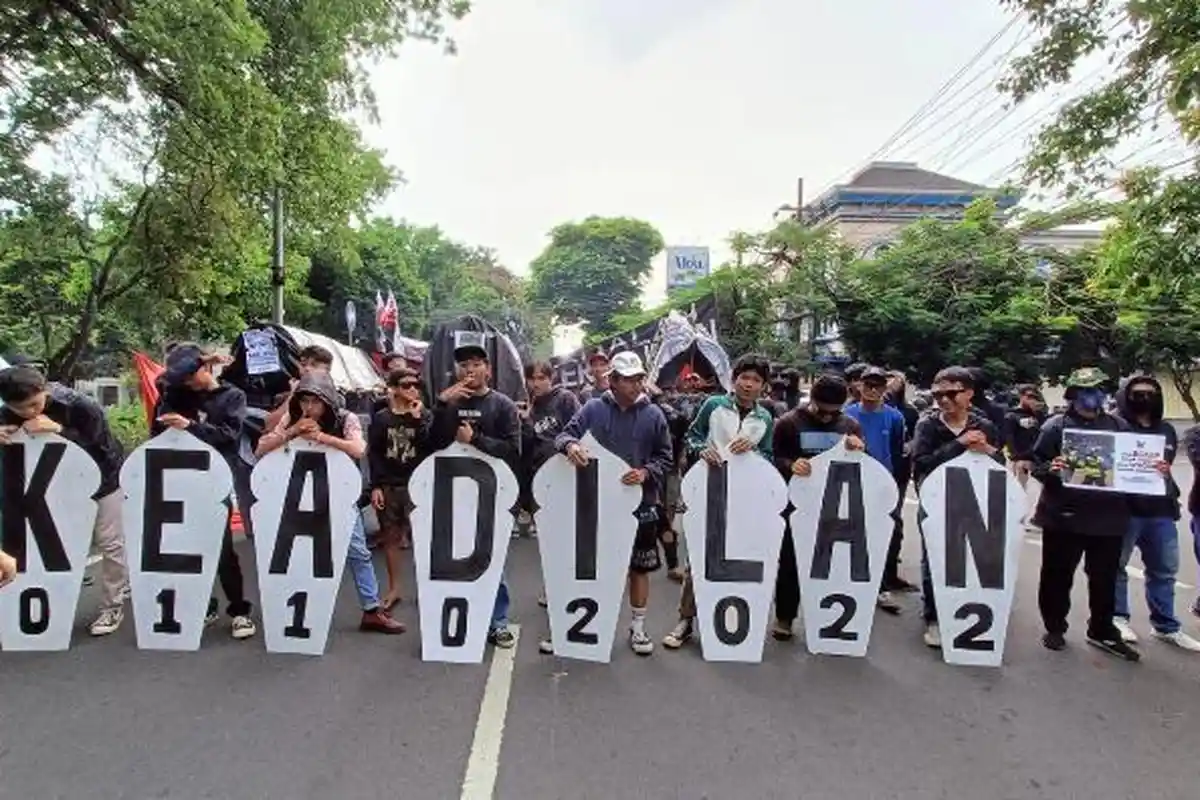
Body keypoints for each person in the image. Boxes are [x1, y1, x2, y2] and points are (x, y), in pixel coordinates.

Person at [257, 371, 406, 634]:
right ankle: (294, 609)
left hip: (338, 494)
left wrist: (322, 438)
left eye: (315, 401)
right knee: (295, 553)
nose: (309, 407)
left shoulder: (346, 418)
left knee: (358, 552)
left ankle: (372, 609)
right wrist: (292, 432)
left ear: (327, 400)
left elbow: (358, 449)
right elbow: (261, 449)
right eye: (305, 401)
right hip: (300, 496)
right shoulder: (292, 418)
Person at [553, 351, 674, 656]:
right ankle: (575, 626)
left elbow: (666, 458)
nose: (635, 385)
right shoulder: (593, 408)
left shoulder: (654, 415)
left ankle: (638, 627)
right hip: (595, 504)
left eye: (638, 379)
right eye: (628, 379)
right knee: (590, 566)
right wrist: (571, 446)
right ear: (614, 381)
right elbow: (563, 436)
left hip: (641, 504)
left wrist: (646, 472)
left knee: (639, 567)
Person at [1030, 367, 1152, 661]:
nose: (1093, 396)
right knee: (1057, 576)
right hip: (1064, 516)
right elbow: (1036, 464)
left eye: (1097, 389)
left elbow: (1134, 463)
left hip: (1108, 517)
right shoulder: (1055, 427)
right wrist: (1051, 469)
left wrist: (1152, 470)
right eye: (1085, 391)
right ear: (1072, 394)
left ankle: (1102, 630)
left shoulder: (1119, 426)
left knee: (1105, 579)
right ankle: (1054, 627)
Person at [0, 366, 130, 635]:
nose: (29, 413)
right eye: (20, 409)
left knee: (111, 543)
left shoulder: (81, 406)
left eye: (34, 404)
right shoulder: (6, 414)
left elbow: (103, 451)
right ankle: (42, 608)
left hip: (105, 481)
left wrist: (59, 430)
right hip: (53, 487)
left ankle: (112, 605)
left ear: (44, 389)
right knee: (53, 547)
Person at [662, 353, 775, 650]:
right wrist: (703, 449)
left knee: (739, 556)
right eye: (744, 378)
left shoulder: (765, 417)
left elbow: (769, 456)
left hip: (746, 499)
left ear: (763, 386)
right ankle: (686, 620)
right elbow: (693, 437)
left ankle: (732, 622)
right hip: (710, 492)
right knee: (700, 556)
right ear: (734, 380)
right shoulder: (713, 405)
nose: (748, 384)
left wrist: (754, 451)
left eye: (756, 380)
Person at [153, 344, 258, 639]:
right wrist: (197, 362)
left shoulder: (232, 396)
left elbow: (228, 436)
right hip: (181, 478)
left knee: (222, 549)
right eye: (184, 377)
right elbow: (163, 381)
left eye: (192, 374)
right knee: (188, 548)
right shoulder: (177, 395)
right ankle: (204, 605)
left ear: (206, 368)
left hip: (215, 479)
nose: (188, 382)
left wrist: (190, 426)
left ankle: (239, 610)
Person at [428, 337, 522, 648]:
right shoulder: (449, 402)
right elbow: (433, 444)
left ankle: (498, 621)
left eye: (476, 364)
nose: (470, 370)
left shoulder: (502, 405)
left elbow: (513, 450)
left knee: (492, 559)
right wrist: (443, 405)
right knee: (452, 558)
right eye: (464, 365)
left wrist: (476, 440)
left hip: (492, 494)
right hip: (453, 492)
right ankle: (460, 617)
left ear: (488, 370)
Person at [910, 366, 1005, 649]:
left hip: (974, 503)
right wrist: (958, 444)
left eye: (952, 393)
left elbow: (1000, 466)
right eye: (938, 395)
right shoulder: (928, 425)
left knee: (971, 560)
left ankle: (968, 610)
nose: (944, 400)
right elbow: (922, 463)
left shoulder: (984, 425)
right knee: (933, 559)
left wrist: (988, 451)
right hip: (936, 501)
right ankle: (934, 617)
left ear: (969, 394)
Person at [768, 374, 865, 640]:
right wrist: (790, 465)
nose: (826, 417)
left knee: (832, 563)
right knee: (790, 561)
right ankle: (785, 616)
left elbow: (862, 467)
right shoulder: (789, 423)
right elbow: (775, 458)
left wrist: (859, 449)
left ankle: (829, 618)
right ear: (811, 399)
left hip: (836, 506)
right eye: (821, 411)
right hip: (796, 505)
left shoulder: (850, 426)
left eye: (833, 412)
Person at [1110, 375, 1200, 651]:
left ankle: (1165, 626)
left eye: (1151, 393)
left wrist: (1164, 471)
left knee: (1164, 570)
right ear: (1125, 396)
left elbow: (1168, 466)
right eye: (1138, 393)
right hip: (1123, 510)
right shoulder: (1114, 426)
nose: (1145, 398)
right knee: (1116, 567)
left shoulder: (1166, 430)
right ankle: (1118, 618)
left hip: (1161, 511)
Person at [844, 366, 908, 613]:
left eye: (877, 385)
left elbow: (896, 451)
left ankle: (882, 586)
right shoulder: (847, 414)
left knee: (882, 535)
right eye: (868, 384)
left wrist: (894, 483)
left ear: (884, 388)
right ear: (859, 385)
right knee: (852, 533)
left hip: (883, 482)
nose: (872, 390)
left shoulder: (895, 417)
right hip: (852, 479)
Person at [368, 366, 431, 607]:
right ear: (393, 389)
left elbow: (432, 445)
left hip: (419, 484)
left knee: (424, 538)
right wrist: (375, 486)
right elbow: (374, 453)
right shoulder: (382, 418)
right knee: (391, 537)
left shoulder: (424, 415)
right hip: (390, 484)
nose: (413, 389)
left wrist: (419, 419)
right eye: (406, 385)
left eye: (416, 385)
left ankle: (426, 587)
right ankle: (394, 588)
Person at [517, 360, 580, 538]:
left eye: (541, 378)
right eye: (531, 379)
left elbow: (580, 430)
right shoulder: (530, 407)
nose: (536, 383)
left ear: (551, 378)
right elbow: (528, 445)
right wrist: (525, 421)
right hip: (538, 475)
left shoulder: (565, 398)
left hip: (564, 469)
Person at [884, 369, 920, 593]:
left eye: (896, 379)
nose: (891, 383)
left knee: (894, 523)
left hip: (899, 473)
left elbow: (915, 440)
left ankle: (890, 574)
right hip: (876, 473)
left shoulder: (908, 412)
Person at [1004, 385, 1046, 491]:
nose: (1032, 400)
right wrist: (1014, 456)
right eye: (1029, 396)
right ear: (1021, 396)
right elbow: (1009, 437)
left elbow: (1043, 432)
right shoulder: (1012, 415)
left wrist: (1038, 411)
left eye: (1035, 397)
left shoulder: (1038, 415)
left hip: (1036, 458)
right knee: (1019, 488)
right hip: (1020, 458)